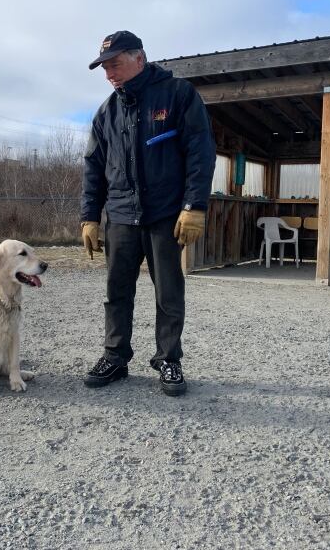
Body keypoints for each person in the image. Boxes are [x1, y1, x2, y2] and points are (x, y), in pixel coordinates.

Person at [81, 30, 216, 396]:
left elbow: (200, 153)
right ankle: (115, 355)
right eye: (105, 67)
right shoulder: (106, 113)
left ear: (139, 58)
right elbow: (94, 167)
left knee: (168, 292)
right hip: (122, 217)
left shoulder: (177, 96)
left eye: (116, 64)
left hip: (166, 216)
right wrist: (90, 217)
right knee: (116, 291)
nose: (110, 73)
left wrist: (194, 206)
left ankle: (169, 359)